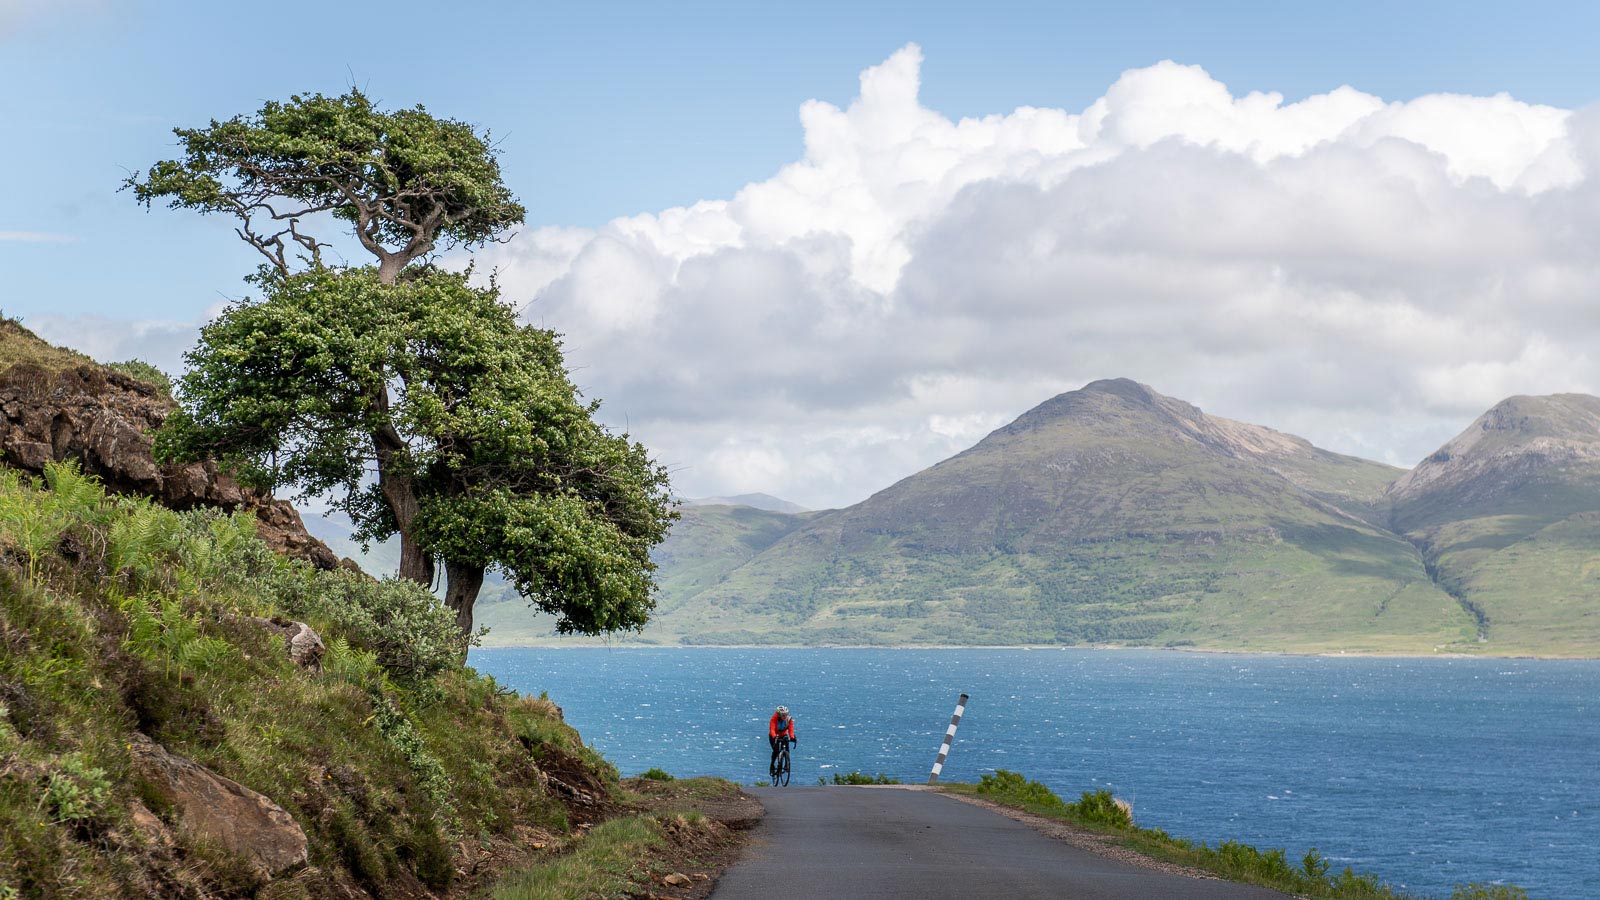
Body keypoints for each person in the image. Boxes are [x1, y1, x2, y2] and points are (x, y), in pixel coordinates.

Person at [768, 705, 796, 776]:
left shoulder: (789, 719)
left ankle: (786, 765)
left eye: (786, 714)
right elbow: (772, 729)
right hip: (774, 735)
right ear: (779, 714)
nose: (785, 716)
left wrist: (792, 737)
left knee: (787, 748)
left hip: (783, 734)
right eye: (783, 715)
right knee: (776, 750)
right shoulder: (774, 718)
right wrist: (774, 736)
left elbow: (791, 729)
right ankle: (772, 766)